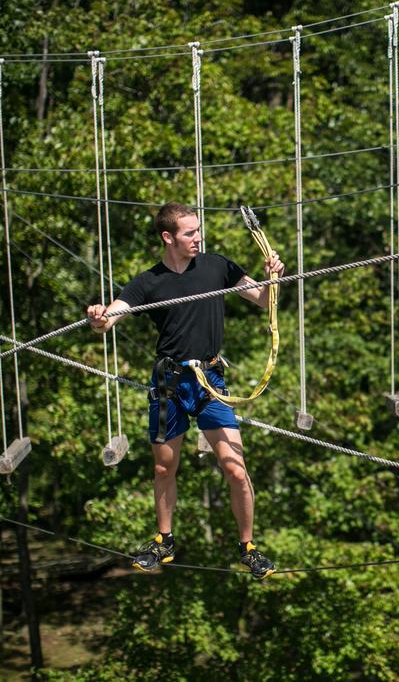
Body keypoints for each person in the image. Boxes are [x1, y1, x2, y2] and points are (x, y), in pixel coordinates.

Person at [86, 202, 284, 578]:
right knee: (164, 467)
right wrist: (98, 317)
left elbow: (261, 299)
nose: (198, 238)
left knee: (236, 469)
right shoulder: (149, 282)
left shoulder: (217, 266)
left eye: (198, 231)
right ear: (168, 237)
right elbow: (110, 319)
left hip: (211, 383)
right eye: (190, 233)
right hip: (170, 383)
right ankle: (164, 541)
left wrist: (270, 278)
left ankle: (248, 547)